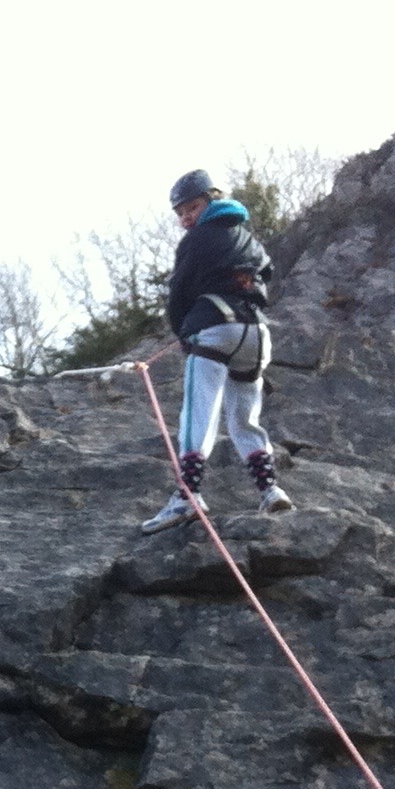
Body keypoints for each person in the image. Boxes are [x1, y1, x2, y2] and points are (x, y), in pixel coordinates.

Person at [142, 170, 294, 534]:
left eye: (192, 207)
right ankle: (271, 490)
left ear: (211, 200)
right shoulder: (247, 238)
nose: (186, 218)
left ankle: (187, 496)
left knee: (199, 415)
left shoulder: (197, 241)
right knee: (244, 418)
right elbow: (266, 272)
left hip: (213, 330)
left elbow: (178, 293)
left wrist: (183, 332)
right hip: (256, 334)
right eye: (180, 213)